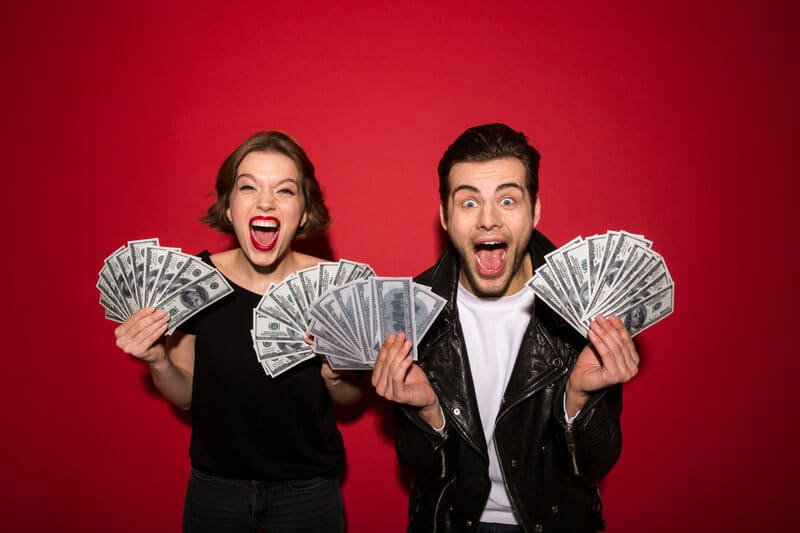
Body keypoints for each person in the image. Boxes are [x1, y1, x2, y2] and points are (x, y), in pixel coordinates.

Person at [371, 123, 640, 532]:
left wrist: (579, 402)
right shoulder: (412, 312)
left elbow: (595, 466)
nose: (489, 221)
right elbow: (421, 473)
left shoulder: (585, 308)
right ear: (445, 215)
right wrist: (427, 414)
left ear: (534, 211)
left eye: (508, 200)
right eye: (468, 203)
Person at [114, 131, 362, 533]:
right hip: (216, 494)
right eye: (248, 187)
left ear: (303, 211)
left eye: (284, 190)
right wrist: (158, 361)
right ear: (229, 207)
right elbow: (184, 396)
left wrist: (335, 374)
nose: (265, 202)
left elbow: (351, 399)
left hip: (308, 494)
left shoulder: (330, 288)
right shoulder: (195, 281)